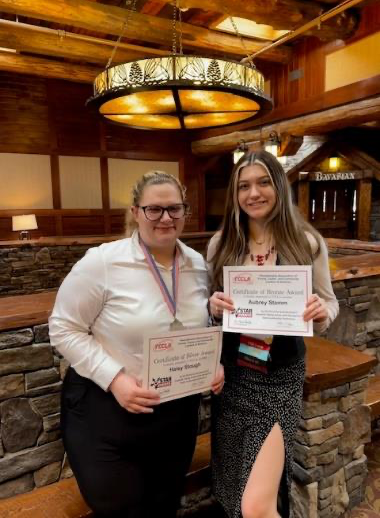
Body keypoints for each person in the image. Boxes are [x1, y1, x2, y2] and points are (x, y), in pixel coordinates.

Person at [49, 171, 224, 518]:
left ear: (185, 211)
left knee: (163, 505)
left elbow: (199, 326)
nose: (165, 218)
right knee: (120, 508)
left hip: (175, 414)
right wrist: (115, 379)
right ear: (135, 212)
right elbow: (63, 328)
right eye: (154, 209)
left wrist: (211, 363)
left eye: (174, 209)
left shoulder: (197, 264)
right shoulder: (102, 262)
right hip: (105, 410)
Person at [207, 151, 339, 518]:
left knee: (256, 506)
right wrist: (213, 308)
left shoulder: (307, 242)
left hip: (279, 378)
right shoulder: (221, 245)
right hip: (233, 378)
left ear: (279, 186)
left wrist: (321, 312)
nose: (254, 193)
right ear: (235, 193)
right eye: (244, 185)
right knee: (234, 488)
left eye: (264, 182)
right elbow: (209, 315)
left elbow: (330, 304)